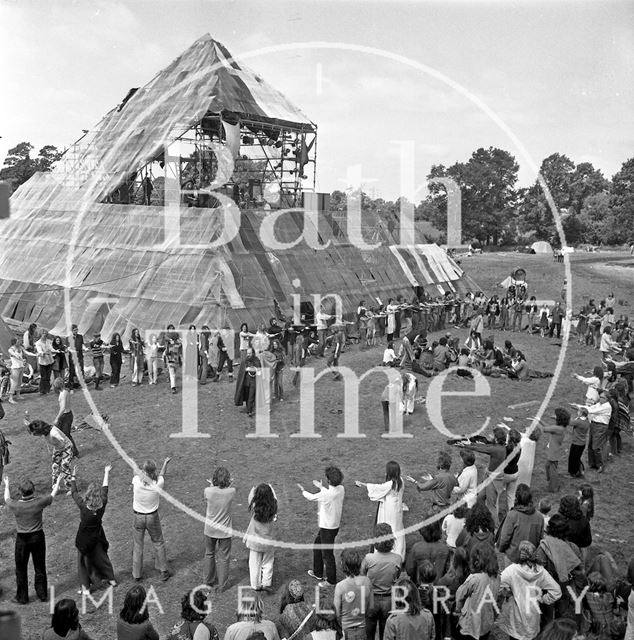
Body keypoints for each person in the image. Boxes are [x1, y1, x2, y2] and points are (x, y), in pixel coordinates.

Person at [4, 474, 62, 604]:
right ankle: (42, 594)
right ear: (33, 490)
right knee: (40, 566)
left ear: (20, 492)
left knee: (20, 568)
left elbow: (6, 498)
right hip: (38, 538)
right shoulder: (39, 502)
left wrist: (7, 485)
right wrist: (58, 481)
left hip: (22, 540)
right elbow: (53, 494)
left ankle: (22, 597)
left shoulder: (16, 505)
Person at [496, 541, 561, 640]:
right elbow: (556, 591)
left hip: (516, 616)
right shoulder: (541, 572)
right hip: (533, 615)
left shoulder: (512, 570)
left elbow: (497, 586)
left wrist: (507, 592)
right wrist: (543, 599)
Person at [71, 464, 116, 593]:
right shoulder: (102, 503)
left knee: (82, 561)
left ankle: (85, 587)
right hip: (97, 534)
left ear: (88, 494)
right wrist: (106, 472)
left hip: (84, 538)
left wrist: (73, 477)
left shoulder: (83, 506)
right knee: (101, 556)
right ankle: (111, 579)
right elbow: (105, 488)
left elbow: (74, 492)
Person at [299, 465, 345, 588]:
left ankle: (331, 580)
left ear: (329, 480)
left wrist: (303, 490)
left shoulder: (327, 494)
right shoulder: (341, 489)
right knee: (317, 547)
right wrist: (321, 487)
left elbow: (312, 497)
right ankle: (318, 572)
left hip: (327, 529)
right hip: (333, 526)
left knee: (327, 554)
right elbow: (328, 493)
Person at [535, 513, 585, 622]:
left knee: (548, 616)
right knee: (563, 613)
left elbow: (538, 570)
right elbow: (580, 569)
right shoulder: (573, 547)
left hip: (548, 589)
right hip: (566, 586)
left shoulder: (543, 547)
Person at [456, 426, 508, 528]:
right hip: (490, 477)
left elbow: (481, 449)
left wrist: (467, 446)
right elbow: (486, 446)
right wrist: (470, 443)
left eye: (493, 435)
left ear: (497, 439)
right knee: (480, 498)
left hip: (494, 480)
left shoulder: (497, 449)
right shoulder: (500, 447)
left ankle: (496, 529)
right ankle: (479, 517)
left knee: (491, 506)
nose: (491, 436)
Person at [131, 457, 172, 582]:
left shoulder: (136, 481)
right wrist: (165, 463)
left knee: (138, 545)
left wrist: (133, 463)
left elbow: (135, 472)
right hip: (152, 517)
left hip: (138, 517)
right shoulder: (158, 483)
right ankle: (163, 571)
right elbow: (162, 474)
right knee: (158, 542)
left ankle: (137, 575)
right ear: (154, 470)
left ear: (144, 470)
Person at [355, 461, 406, 560]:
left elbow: (378, 488)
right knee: (397, 528)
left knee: (388, 527)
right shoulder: (401, 481)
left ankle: (386, 552)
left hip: (389, 509)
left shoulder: (390, 484)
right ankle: (398, 553)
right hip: (397, 508)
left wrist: (362, 484)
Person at [361, 523, 402, 640]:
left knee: (369, 632)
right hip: (389, 600)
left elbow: (362, 575)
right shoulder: (397, 559)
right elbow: (397, 575)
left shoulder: (369, 558)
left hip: (371, 600)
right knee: (386, 634)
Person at [454, 546, 500, 640]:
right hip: (486, 621)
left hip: (470, 624)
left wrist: (458, 609)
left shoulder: (475, 578)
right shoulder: (497, 577)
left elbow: (460, 594)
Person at [203, 466, 235, 592]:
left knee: (209, 554)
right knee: (224, 557)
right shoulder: (231, 491)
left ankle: (208, 582)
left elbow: (206, 497)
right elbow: (231, 485)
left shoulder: (208, 491)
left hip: (210, 530)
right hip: (225, 532)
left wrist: (211, 485)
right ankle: (222, 585)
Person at [496, 483, 544, 565]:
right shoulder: (539, 516)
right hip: (531, 559)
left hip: (513, 559)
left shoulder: (512, 515)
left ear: (517, 497)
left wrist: (501, 549)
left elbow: (504, 538)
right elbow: (541, 538)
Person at [244, 483, 278, 592]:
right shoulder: (274, 506)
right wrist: (271, 488)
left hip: (255, 542)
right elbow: (275, 497)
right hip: (268, 542)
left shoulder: (254, 506)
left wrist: (254, 489)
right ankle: (266, 583)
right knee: (268, 562)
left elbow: (250, 496)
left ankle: (255, 585)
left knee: (254, 564)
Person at [333, 548, 373, 640]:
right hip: (362, 630)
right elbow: (370, 608)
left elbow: (337, 614)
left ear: (343, 564)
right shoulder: (367, 581)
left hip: (345, 631)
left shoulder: (340, 586)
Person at [28, 419, 75, 490]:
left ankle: (70, 488)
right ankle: (55, 487)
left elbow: (62, 441)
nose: (34, 435)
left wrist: (60, 452)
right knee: (55, 467)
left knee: (64, 467)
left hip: (66, 448)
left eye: (35, 433)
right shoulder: (46, 432)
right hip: (58, 449)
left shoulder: (53, 433)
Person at [405, 518, 450, 584]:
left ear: (424, 530)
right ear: (438, 530)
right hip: (438, 586)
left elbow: (409, 569)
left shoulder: (417, 547)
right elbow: (448, 570)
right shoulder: (445, 548)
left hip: (420, 584)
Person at [534, 408, 569, 493]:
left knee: (553, 471)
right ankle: (551, 481)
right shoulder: (560, 428)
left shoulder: (559, 429)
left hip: (554, 453)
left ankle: (553, 488)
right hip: (553, 452)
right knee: (547, 466)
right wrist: (539, 420)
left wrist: (536, 423)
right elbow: (549, 427)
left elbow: (544, 429)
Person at [584, 391, 613, 473]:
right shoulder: (599, 404)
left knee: (596, 446)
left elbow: (592, 411)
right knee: (590, 445)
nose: (600, 398)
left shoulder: (606, 406)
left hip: (600, 427)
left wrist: (580, 408)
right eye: (600, 396)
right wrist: (579, 406)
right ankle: (592, 463)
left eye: (603, 397)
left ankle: (600, 465)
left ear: (607, 399)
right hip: (593, 425)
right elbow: (591, 408)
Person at [53, 377, 79, 457]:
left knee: (66, 435)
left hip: (65, 416)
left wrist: (57, 418)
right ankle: (66, 451)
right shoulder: (66, 391)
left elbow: (63, 407)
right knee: (62, 434)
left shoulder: (63, 394)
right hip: (67, 415)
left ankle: (74, 452)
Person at [234, 347, 261, 417]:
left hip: (253, 381)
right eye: (247, 353)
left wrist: (250, 369)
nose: (248, 355)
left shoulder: (256, 360)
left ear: (253, 353)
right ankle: (248, 407)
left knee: (251, 395)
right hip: (246, 381)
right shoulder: (245, 360)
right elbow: (242, 371)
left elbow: (258, 369)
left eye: (250, 353)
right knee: (247, 395)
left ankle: (250, 410)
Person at [568, 406, 589, 478]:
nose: (577, 412)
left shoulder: (578, 422)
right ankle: (580, 470)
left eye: (579, 411)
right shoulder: (586, 420)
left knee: (572, 458)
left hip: (576, 443)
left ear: (582, 414)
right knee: (577, 458)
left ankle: (573, 473)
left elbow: (569, 422)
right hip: (582, 443)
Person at [7, 337, 28, 403]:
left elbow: (27, 353)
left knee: (19, 382)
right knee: (14, 383)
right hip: (15, 368)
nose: (20, 341)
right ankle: (10, 398)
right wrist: (20, 358)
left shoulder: (20, 348)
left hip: (21, 367)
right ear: (14, 342)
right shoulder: (11, 349)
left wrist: (36, 354)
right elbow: (15, 355)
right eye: (18, 341)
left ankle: (18, 395)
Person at [163, 324, 182, 393]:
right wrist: (171, 340)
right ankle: (173, 387)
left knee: (175, 370)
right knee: (172, 372)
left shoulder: (176, 335)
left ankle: (169, 377)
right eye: (170, 329)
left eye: (172, 328)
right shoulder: (166, 335)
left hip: (176, 356)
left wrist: (179, 343)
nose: (171, 330)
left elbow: (179, 343)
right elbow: (166, 338)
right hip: (170, 355)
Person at [35, 329, 55, 394]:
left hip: (49, 361)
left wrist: (55, 350)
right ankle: (42, 390)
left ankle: (47, 390)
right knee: (43, 376)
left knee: (48, 376)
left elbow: (51, 348)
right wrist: (44, 353)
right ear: (41, 334)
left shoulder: (48, 341)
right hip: (42, 362)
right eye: (43, 333)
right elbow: (39, 351)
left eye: (46, 333)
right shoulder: (38, 343)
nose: (45, 335)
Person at [67, 324, 85, 388]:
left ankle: (82, 383)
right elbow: (68, 347)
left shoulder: (80, 336)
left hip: (80, 355)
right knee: (72, 370)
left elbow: (82, 345)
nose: (76, 331)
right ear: (71, 331)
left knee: (81, 369)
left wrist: (85, 348)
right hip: (72, 356)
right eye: (74, 330)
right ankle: (72, 384)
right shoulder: (69, 338)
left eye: (77, 330)